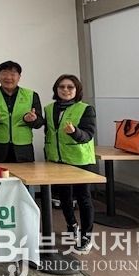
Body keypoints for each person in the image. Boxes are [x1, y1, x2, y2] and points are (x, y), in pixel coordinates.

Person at [44, 74, 97, 253]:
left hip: (79, 160)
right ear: (56, 89)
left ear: (77, 90)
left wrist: (75, 132)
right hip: (57, 160)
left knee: (83, 197)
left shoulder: (85, 109)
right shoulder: (49, 109)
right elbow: (48, 133)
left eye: (70, 87)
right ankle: (71, 225)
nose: (65, 90)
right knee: (64, 197)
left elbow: (88, 134)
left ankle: (86, 236)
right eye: (61, 87)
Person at [0, 61, 44, 163]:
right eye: (4, 73)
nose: (8, 77)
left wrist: (31, 120)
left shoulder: (31, 95)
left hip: (23, 148)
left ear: (19, 77)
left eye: (13, 74)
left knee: (26, 173)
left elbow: (39, 123)